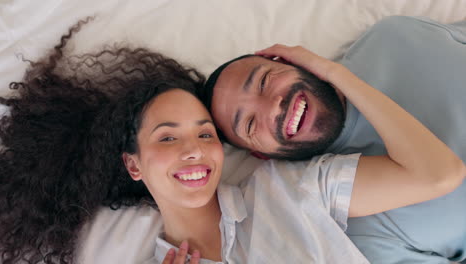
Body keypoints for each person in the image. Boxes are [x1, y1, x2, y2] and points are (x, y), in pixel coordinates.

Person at [0, 18, 464, 264]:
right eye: (167, 136)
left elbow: (439, 174)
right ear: (133, 164)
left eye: (205, 133)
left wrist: (333, 73)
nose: (194, 149)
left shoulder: (293, 192)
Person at [199, 16, 466, 263]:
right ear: (261, 155)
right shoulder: (361, 229)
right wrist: (336, 76)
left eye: (264, 81)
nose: (273, 106)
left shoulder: (392, 37)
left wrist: (335, 73)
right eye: (250, 124)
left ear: (289, 61)